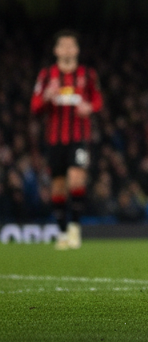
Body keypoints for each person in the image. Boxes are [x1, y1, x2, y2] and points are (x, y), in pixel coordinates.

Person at [30, 30, 103, 250]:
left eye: (72, 45)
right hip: (54, 140)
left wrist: (90, 107)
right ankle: (62, 233)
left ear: (77, 50)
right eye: (64, 45)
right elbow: (34, 107)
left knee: (76, 177)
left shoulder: (87, 75)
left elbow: (98, 100)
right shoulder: (46, 76)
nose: (68, 49)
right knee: (58, 187)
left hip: (79, 136)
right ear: (56, 50)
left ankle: (74, 229)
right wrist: (46, 98)